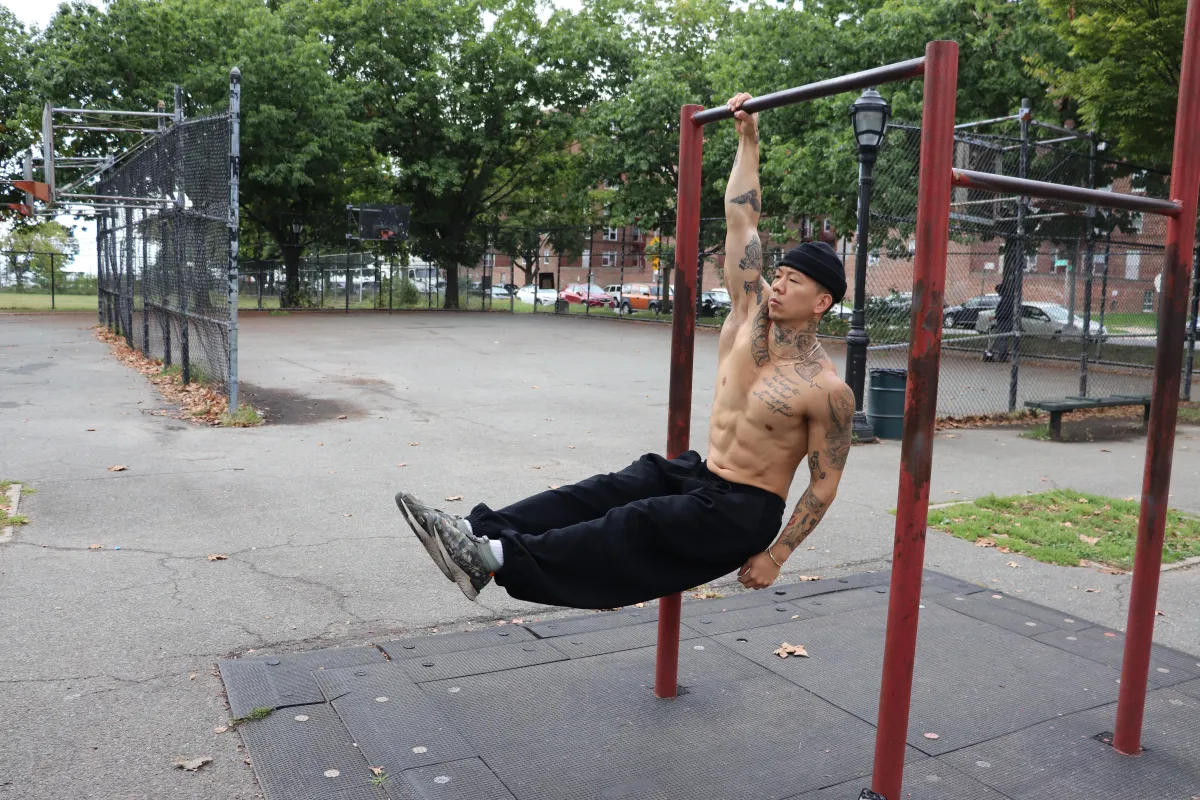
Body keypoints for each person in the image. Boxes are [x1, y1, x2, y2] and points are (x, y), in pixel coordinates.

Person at [396, 93, 855, 608]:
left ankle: (493, 558)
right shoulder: (750, 313)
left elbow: (822, 485)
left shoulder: (826, 390)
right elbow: (741, 222)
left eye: (793, 282)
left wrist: (777, 556)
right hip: (702, 477)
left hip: (742, 513)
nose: (779, 285)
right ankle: (474, 531)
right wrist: (748, 138)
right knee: (613, 487)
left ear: (821, 302)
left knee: (636, 522)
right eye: (780, 274)